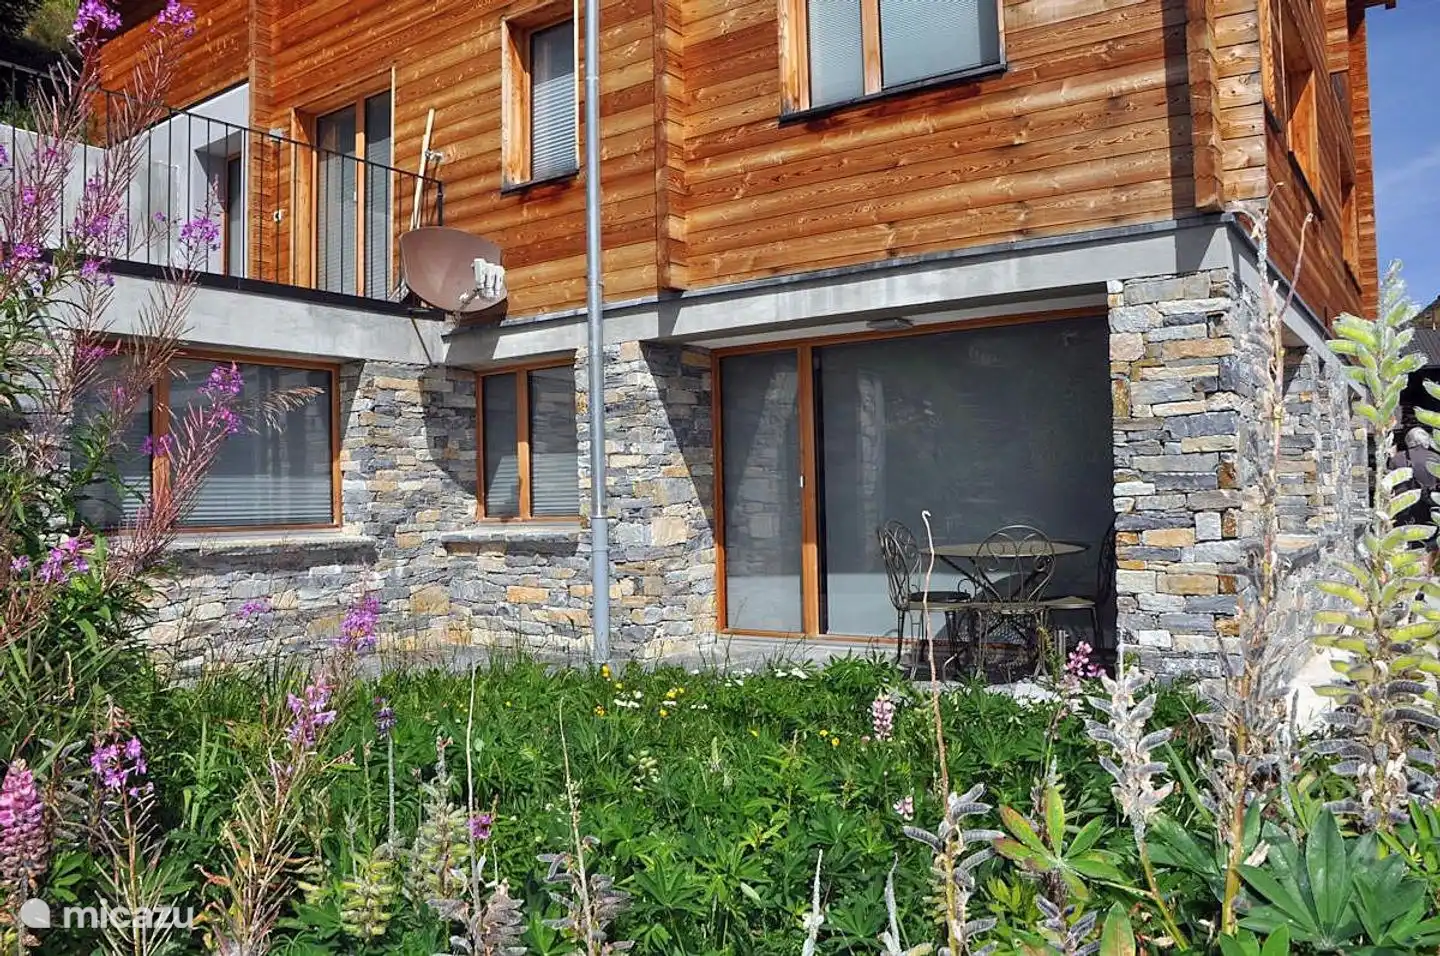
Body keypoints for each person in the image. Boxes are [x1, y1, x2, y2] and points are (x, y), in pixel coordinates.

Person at [1391, 427, 1439, 531]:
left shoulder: (1397, 458)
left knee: (1404, 538)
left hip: (1403, 507)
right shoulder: (1435, 458)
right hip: (1428, 506)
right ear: (1425, 441)